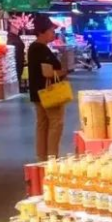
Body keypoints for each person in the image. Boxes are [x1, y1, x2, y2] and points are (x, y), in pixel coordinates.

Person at [28, 13, 66, 161]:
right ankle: (52, 157)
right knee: (56, 123)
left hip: (38, 93)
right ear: (41, 32)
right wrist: (63, 71)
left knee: (42, 124)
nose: (53, 33)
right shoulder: (41, 49)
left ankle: (42, 157)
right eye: (50, 30)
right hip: (49, 93)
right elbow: (48, 72)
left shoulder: (34, 48)